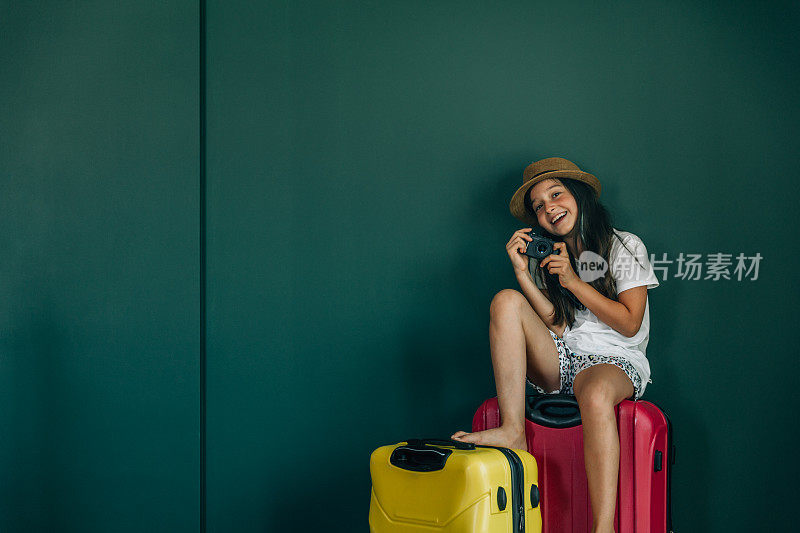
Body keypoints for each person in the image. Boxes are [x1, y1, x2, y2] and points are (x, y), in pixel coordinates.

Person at [450, 157, 659, 533]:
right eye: (539, 206)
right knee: (505, 300)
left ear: (578, 195)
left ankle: (603, 527)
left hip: (616, 362)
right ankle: (513, 429)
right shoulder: (552, 257)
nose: (550, 208)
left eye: (556, 194)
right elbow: (558, 324)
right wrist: (522, 274)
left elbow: (629, 324)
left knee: (594, 391)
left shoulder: (624, 245)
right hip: (564, 359)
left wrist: (575, 282)